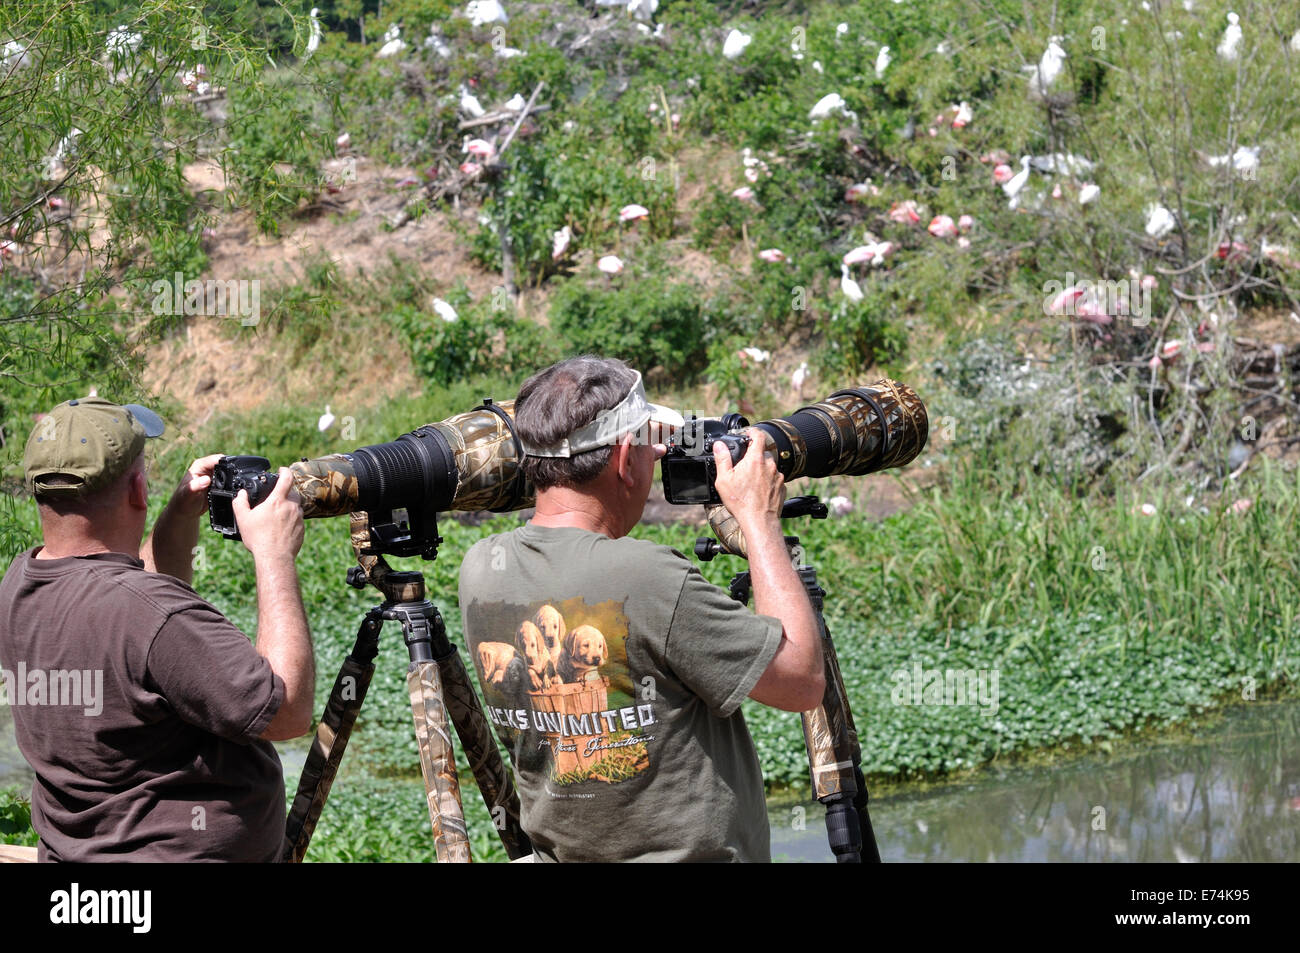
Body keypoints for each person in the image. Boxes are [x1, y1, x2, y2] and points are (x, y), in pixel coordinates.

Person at [458, 356, 823, 862]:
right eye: (649, 442)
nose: (659, 453)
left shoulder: (479, 568)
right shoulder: (645, 575)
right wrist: (759, 522)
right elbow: (800, 680)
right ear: (625, 458)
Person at [0, 396, 314, 861]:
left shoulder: (20, 581)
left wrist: (181, 514)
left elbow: (127, 599)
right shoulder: (153, 616)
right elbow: (286, 712)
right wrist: (273, 555)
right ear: (137, 490)